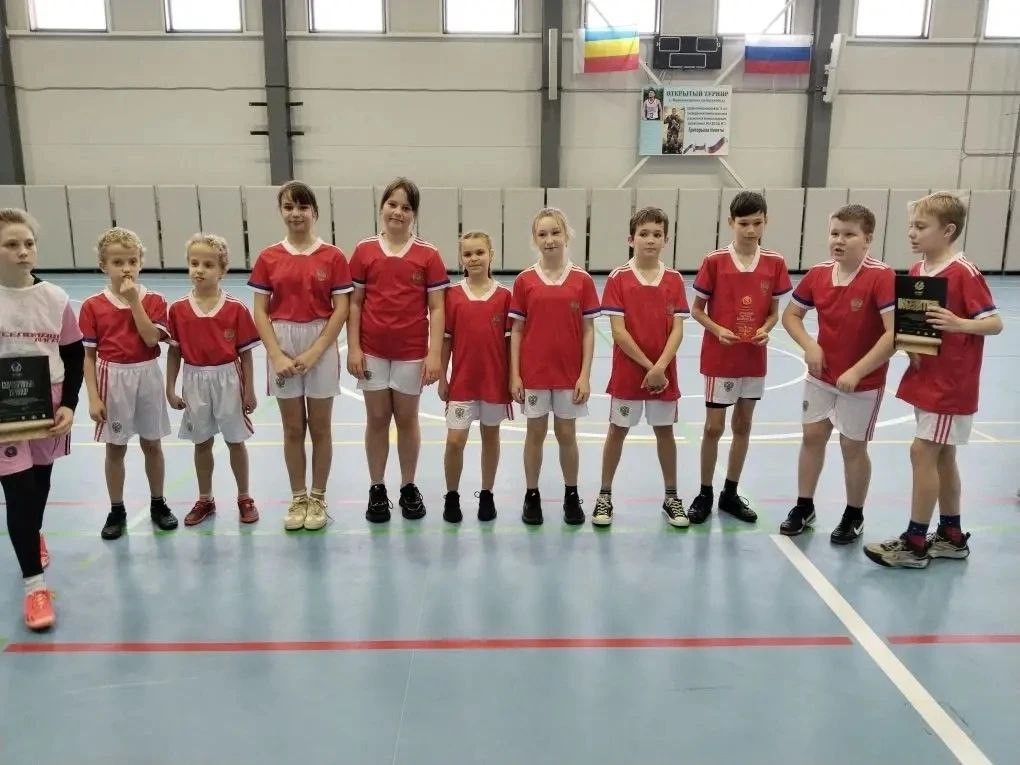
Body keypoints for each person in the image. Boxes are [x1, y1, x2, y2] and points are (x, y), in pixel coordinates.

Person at [865, 192, 1002, 568]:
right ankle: (951, 536)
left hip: (950, 384)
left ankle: (914, 543)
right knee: (943, 456)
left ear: (948, 230)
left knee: (922, 452)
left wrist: (959, 324)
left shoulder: (964, 272)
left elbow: (994, 323)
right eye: (911, 225)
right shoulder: (917, 270)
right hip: (925, 377)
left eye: (921, 227)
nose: (912, 233)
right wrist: (911, 344)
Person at [780, 204, 895, 544]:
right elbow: (791, 316)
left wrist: (858, 371)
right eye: (834, 233)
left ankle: (854, 514)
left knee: (852, 447)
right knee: (812, 437)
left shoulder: (882, 276)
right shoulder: (818, 274)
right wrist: (809, 346)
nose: (839, 240)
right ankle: (804, 506)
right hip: (821, 376)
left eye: (849, 234)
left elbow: (894, 335)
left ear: (867, 239)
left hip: (863, 382)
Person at [249, 181, 352, 531]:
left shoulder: (333, 257)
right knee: (292, 428)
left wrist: (316, 350)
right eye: (289, 207)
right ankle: (298, 497)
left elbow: (341, 309)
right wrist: (276, 355)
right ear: (281, 211)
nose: (296, 213)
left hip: (320, 340)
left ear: (314, 212)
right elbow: (260, 311)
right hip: (282, 340)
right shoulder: (268, 257)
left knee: (320, 427)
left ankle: (318, 497)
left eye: (303, 207)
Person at [0, 208, 83, 630]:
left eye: (28, 243)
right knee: (19, 494)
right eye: (11, 244)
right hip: (4, 411)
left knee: (39, 487)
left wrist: (69, 403)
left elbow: (73, 354)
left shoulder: (55, 298)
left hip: (47, 404)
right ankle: (35, 587)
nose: (23, 251)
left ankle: (32, 535)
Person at [347, 177, 448, 523]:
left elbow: (437, 307)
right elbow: (355, 303)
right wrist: (354, 348)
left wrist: (434, 354)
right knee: (376, 419)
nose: (398, 212)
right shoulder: (364, 251)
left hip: (411, 352)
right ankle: (377, 488)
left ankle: (408, 486)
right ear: (382, 208)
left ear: (414, 214)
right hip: (372, 351)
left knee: (407, 419)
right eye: (392, 204)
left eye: (406, 207)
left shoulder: (428, 255)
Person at [688, 191, 792, 524]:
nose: (750, 230)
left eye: (757, 223)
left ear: (766, 221)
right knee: (713, 427)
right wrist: (718, 329)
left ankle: (729, 493)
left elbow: (774, 312)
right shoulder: (715, 261)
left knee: (743, 425)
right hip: (720, 356)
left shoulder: (775, 262)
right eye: (744, 223)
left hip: (753, 357)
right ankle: (704, 492)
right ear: (731, 222)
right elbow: (697, 310)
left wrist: (766, 328)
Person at [593, 207, 689, 528]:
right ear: (630, 239)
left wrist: (660, 368)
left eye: (657, 234)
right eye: (644, 234)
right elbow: (618, 332)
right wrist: (650, 367)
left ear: (666, 240)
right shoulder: (618, 278)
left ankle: (671, 496)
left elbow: (677, 330)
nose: (650, 240)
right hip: (629, 372)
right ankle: (604, 495)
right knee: (617, 431)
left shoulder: (674, 279)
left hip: (664, 374)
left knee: (665, 432)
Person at [80, 227, 178, 540]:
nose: (126, 268)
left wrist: (134, 301)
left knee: (152, 444)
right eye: (118, 262)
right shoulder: (92, 305)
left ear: (140, 263)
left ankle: (158, 503)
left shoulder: (155, 300)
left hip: (147, 374)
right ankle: (116, 509)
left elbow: (151, 339)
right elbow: (88, 357)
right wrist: (93, 397)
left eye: (132, 261)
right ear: (103, 265)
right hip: (113, 378)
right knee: (115, 448)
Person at [509, 207, 600, 525]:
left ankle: (571, 495)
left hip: (568, 375)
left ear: (567, 235)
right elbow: (516, 331)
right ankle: (531, 495)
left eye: (555, 232)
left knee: (566, 434)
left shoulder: (582, 280)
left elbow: (588, 331)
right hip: (534, 374)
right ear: (535, 239)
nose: (550, 240)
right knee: (534, 433)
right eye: (542, 234)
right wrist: (515, 374)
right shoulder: (524, 281)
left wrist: (585, 375)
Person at [166, 234, 261, 526]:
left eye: (208, 265)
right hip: (195, 379)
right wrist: (170, 388)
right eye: (194, 263)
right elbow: (174, 352)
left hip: (228, 378)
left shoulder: (236, 308)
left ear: (222, 270)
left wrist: (249, 390)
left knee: (235, 441)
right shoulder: (178, 309)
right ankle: (205, 498)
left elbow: (246, 355)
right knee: (201, 442)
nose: (199, 270)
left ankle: (244, 497)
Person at [438, 231, 512, 523]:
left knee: (490, 437)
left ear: (491, 255)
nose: (474, 258)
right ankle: (452, 495)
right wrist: (443, 377)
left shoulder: (505, 296)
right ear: (461, 259)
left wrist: (513, 378)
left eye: (480, 252)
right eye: (467, 254)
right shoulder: (452, 295)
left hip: (494, 382)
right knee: (455, 441)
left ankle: (487, 494)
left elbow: (511, 344)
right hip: (462, 382)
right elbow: (445, 340)